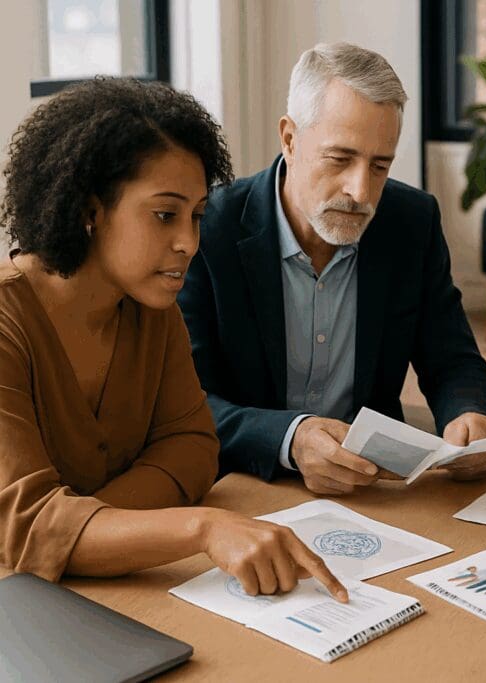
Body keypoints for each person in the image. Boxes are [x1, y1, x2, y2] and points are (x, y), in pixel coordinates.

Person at [0, 78, 346, 602]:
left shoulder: (150, 305)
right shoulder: (9, 322)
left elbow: (193, 450)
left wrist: (88, 531)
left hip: (90, 592)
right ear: (89, 211)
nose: (189, 242)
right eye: (165, 214)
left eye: (197, 215)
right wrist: (203, 528)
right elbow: (28, 528)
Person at [179, 42, 486, 494]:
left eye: (380, 165)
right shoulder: (207, 229)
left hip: (371, 488)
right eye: (340, 159)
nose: (361, 190)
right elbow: (187, 403)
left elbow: (453, 360)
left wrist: (468, 415)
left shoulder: (412, 221)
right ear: (289, 139)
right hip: (245, 480)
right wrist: (290, 439)